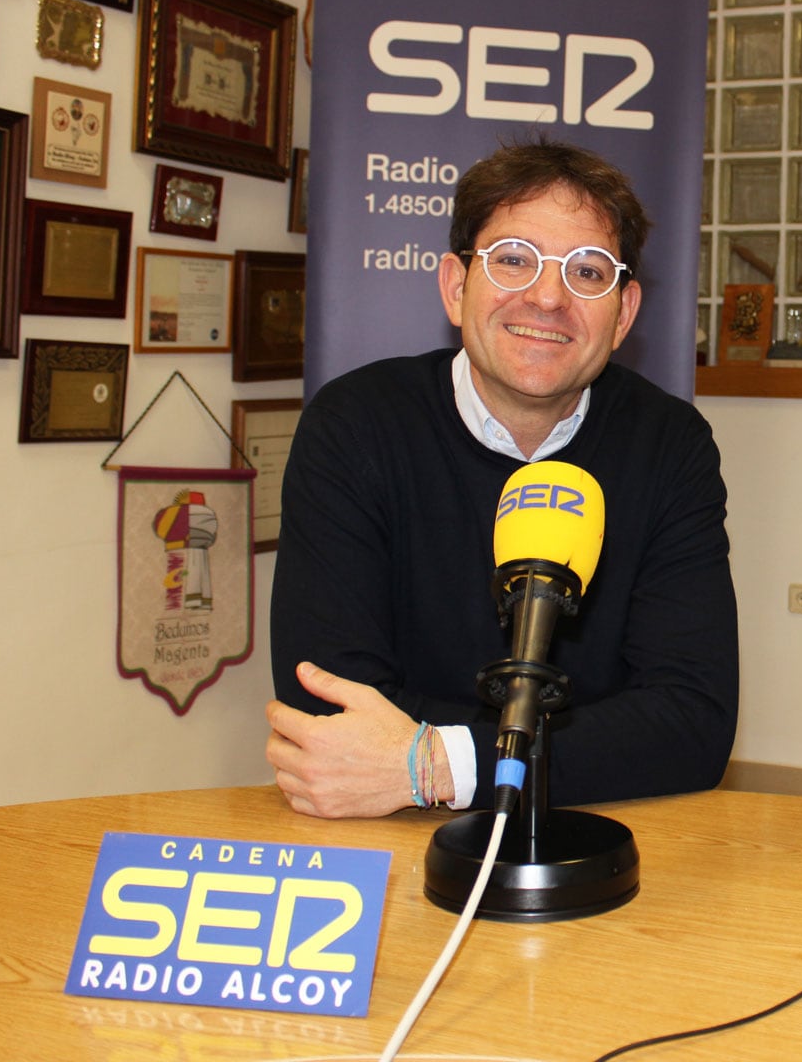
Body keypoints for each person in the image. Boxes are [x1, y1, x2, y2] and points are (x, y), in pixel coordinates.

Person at [267, 140, 739, 818]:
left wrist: (438, 763)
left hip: (596, 828)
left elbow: (692, 725)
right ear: (456, 287)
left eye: (587, 271)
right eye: (514, 260)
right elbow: (329, 712)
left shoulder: (669, 445)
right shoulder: (355, 425)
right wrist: (587, 744)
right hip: (393, 830)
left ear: (624, 313)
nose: (547, 297)